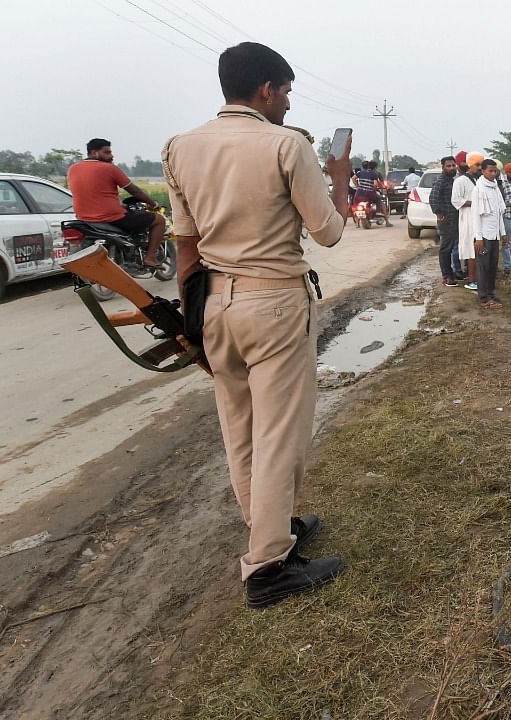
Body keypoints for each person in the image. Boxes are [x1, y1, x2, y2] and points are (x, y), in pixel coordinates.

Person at [162, 41, 353, 609]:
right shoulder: (286, 145)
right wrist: (338, 178)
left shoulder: (179, 148)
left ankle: (272, 529)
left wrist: (191, 320)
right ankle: (269, 566)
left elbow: (186, 246)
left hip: (216, 305)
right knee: (278, 437)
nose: (290, 104)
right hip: (273, 304)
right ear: (266, 90)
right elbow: (330, 232)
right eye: (287, 92)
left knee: (240, 430)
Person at [67, 138, 167, 268]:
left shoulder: (73, 169)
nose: (111, 155)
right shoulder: (109, 168)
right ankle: (150, 257)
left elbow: (94, 193)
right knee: (159, 220)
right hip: (112, 218)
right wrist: (153, 204)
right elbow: (135, 191)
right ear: (94, 153)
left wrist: (120, 205)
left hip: (83, 218)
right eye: (107, 152)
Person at [472, 159, 506, 309]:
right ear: (483, 171)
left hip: (495, 235)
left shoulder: (495, 188)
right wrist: (478, 238)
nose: (493, 173)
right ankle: (484, 297)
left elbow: (499, 213)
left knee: (493, 266)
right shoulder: (478, 189)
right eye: (490, 171)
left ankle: (491, 293)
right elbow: (475, 216)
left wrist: (503, 234)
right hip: (483, 236)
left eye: (495, 171)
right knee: (483, 267)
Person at [451, 152, 483, 291]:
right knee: (471, 251)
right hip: (468, 220)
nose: (480, 167)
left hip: (479, 219)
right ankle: (471, 280)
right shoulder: (460, 181)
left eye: (481, 164)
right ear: (470, 165)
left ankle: (479, 279)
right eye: (477, 164)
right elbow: (455, 200)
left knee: (479, 250)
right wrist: (474, 203)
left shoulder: (479, 180)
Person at [428, 155, 462, 286]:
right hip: (446, 221)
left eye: (453, 165)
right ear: (443, 167)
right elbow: (433, 198)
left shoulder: (452, 180)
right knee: (445, 249)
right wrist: (439, 214)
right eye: (449, 166)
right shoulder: (440, 180)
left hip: (455, 219)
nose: (452, 168)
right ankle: (446, 276)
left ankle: (452, 272)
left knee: (452, 246)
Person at [354, 161, 392, 227]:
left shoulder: (360, 173)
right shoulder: (374, 173)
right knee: (379, 199)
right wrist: (376, 188)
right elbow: (376, 184)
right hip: (369, 193)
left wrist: (357, 186)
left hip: (359, 193)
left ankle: (357, 223)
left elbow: (353, 178)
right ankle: (379, 214)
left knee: (356, 204)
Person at [499, 162, 511, 273]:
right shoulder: (503, 184)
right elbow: (502, 201)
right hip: (507, 216)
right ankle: (508, 266)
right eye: (510, 172)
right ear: (506, 173)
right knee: (507, 243)